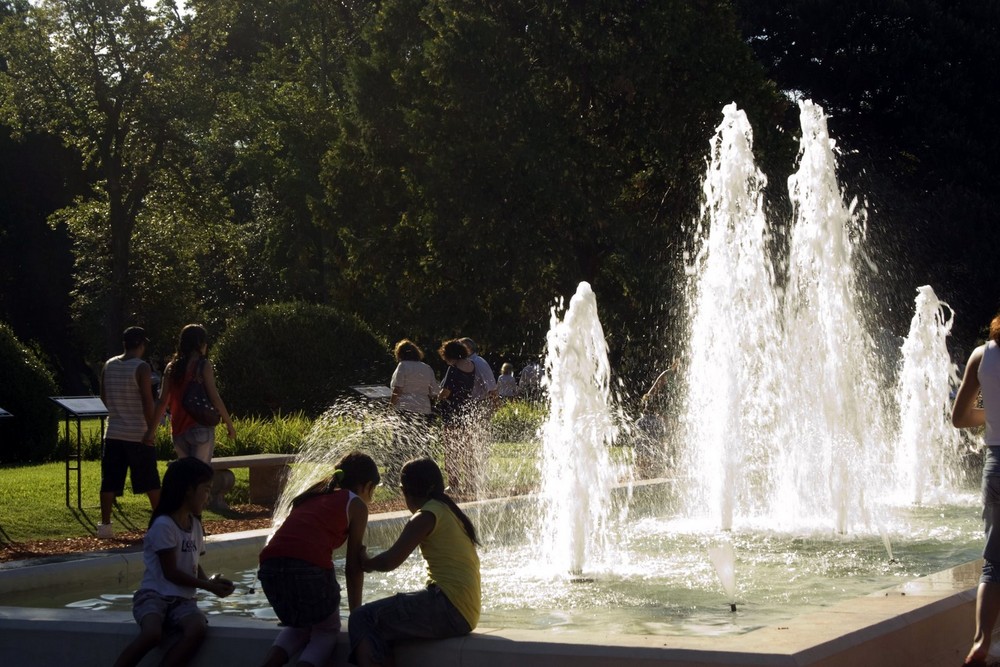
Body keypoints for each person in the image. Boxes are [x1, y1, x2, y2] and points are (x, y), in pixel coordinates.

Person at [348, 458, 480, 667]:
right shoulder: (448, 510)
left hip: (448, 608)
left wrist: (367, 562)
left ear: (404, 490)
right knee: (383, 625)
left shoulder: (426, 515)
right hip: (464, 611)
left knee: (360, 618)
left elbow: (391, 560)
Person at [257, 451, 381, 667]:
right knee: (328, 629)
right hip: (307, 569)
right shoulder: (356, 505)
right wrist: (356, 617)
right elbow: (353, 567)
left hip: (269, 571)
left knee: (301, 626)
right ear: (368, 485)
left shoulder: (314, 495)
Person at [112, 457, 236, 667]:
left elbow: (193, 565)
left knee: (197, 629)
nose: (208, 497)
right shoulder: (164, 525)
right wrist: (208, 587)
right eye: (206, 489)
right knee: (152, 633)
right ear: (188, 489)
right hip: (154, 596)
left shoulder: (195, 525)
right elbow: (171, 572)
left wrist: (212, 582)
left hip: (183, 601)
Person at [953, 313, 1000, 667]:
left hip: (995, 465)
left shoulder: (981, 356)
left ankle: (981, 641)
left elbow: (960, 417)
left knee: (994, 563)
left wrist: (992, 415)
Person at [98, 326, 161, 539]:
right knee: (150, 480)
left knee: (110, 481)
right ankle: (160, 522)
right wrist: (151, 428)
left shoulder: (108, 365)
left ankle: (105, 525)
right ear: (141, 344)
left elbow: (104, 397)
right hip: (138, 433)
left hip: (113, 430)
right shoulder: (141, 367)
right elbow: (147, 400)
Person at [147, 324, 236, 463]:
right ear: (200, 344)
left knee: (188, 477)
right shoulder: (203, 365)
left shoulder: (171, 367)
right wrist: (229, 424)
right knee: (200, 476)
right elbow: (215, 398)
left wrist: (151, 432)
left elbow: (162, 401)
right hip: (200, 427)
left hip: (178, 431)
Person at [437, 339, 476, 491]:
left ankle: (454, 484)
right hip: (466, 412)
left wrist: (437, 395)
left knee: (452, 450)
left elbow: (446, 392)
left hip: (452, 414)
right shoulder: (471, 366)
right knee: (466, 450)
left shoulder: (453, 369)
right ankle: (470, 482)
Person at [459, 337, 497, 404]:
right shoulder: (463, 363)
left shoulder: (478, 362)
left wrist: (497, 406)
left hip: (481, 403)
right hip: (470, 403)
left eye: (460, 348)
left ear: (468, 348)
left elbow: (491, 387)